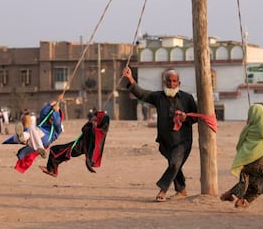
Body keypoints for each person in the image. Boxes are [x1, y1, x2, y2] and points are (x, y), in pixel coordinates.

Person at [122, 67, 198, 202]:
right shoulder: (158, 97)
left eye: (175, 81)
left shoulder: (187, 98)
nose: (172, 84)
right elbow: (142, 94)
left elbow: (196, 116)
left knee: (174, 164)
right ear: (165, 82)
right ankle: (181, 190)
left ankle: (163, 190)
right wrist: (130, 79)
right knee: (175, 165)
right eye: (169, 81)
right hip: (165, 141)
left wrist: (186, 118)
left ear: (179, 83)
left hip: (182, 141)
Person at [219, 104, 263, 208]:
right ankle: (242, 200)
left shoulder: (248, 128)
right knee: (260, 184)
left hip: (246, 159)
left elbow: (240, 143)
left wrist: (243, 154)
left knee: (244, 179)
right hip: (261, 161)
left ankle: (231, 194)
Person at [3, 94, 64, 173]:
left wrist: (56, 112)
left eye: (54, 117)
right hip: (35, 136)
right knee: (26, 134)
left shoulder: (57, 128)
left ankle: (34, 144)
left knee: (31, 128)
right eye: (51, 116)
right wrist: (52, 104)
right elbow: (43, 112)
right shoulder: (44, 120)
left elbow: (57, 123)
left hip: (45, 139)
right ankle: (22, 138)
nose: (52, 118)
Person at [39, 110, 109, 177]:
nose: (94, 119)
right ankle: (52, 170)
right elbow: (85, 129)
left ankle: (51, 170)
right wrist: (91, 123)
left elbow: (85, 130)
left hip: (77, 148)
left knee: (54, 150)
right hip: (77, 146)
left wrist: (91, 123)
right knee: (59, 153)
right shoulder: (96, 130)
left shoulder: (95, 132)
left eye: (96, 119)